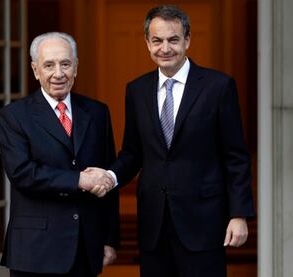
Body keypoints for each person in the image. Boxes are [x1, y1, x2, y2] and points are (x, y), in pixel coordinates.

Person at [103, 4, 255, 277]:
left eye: (173, 39)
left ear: (187, 40)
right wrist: (109, 177)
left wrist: (238, 214)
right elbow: (132, 153)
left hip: (204, 224)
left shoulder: (218, 87)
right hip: (154, 225)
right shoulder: (136, 90)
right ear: (147, 43)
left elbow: (235, 156)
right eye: (157, 40)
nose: (165, 48)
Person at [0, 32, 119, 277]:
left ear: (75, 67)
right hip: (35, 250)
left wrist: (109, 238)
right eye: (49, 65)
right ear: (35, 70)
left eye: (65, 64)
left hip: (85, 246)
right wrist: (79, 180)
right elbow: (23, 173)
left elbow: (108, 175)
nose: (58, 73)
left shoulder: (97, 112)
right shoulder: (14, 116)